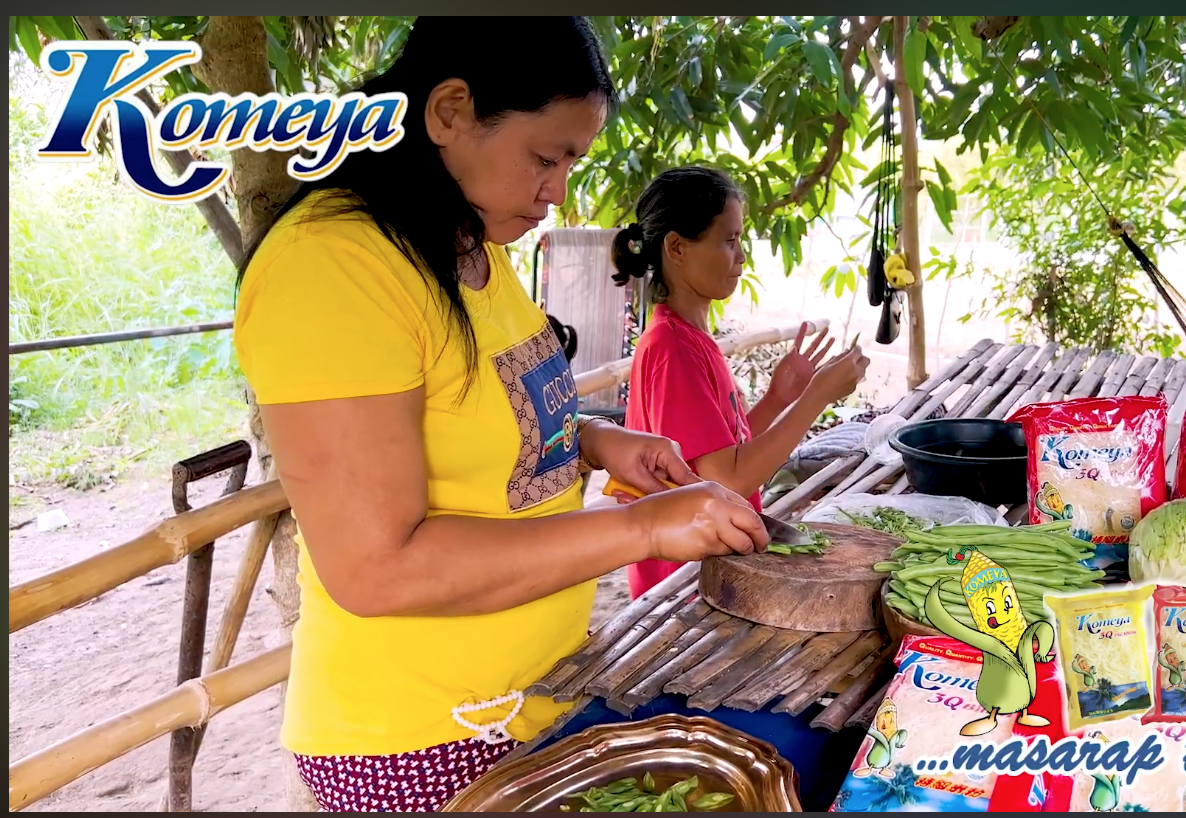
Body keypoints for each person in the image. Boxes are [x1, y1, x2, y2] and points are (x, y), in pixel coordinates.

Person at [232, 18, 769, 813]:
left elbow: (479, 409)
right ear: (450, 111)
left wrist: (593, 440)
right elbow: (377, 566)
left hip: (531, 698)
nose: (557, 190)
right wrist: (646, 528)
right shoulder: (335, 266)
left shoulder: (469, 245)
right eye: (545, 157)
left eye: (570, 162)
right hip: (418, 741)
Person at [610, 167, 871, 600]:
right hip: (681, 587)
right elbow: (726, 480)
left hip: (704, 569)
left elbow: (714, 456)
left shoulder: (688, 337)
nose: (741, 257)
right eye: (728, 241)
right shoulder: (673, 348)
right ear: (677, 247)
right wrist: (818, 397)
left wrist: (779, 398)